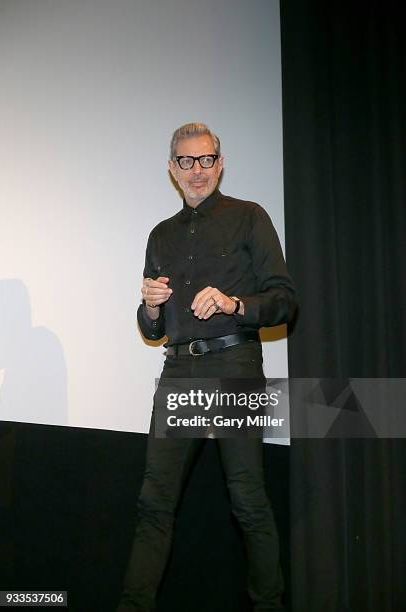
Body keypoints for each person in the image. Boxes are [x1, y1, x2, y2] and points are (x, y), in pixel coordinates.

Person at [117, 123, 296, 612]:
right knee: (154, 504)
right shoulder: (160, 236)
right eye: (185, 162)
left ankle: (269, 606)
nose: (197, 172)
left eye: (206, 160)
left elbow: (284, 301)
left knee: (248, 500)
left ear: (219, 162)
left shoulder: (250, 218)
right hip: (179, 374)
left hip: (236, 364)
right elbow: (152, 328)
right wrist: (150, 307)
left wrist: (234, 303)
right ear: (172, 169)